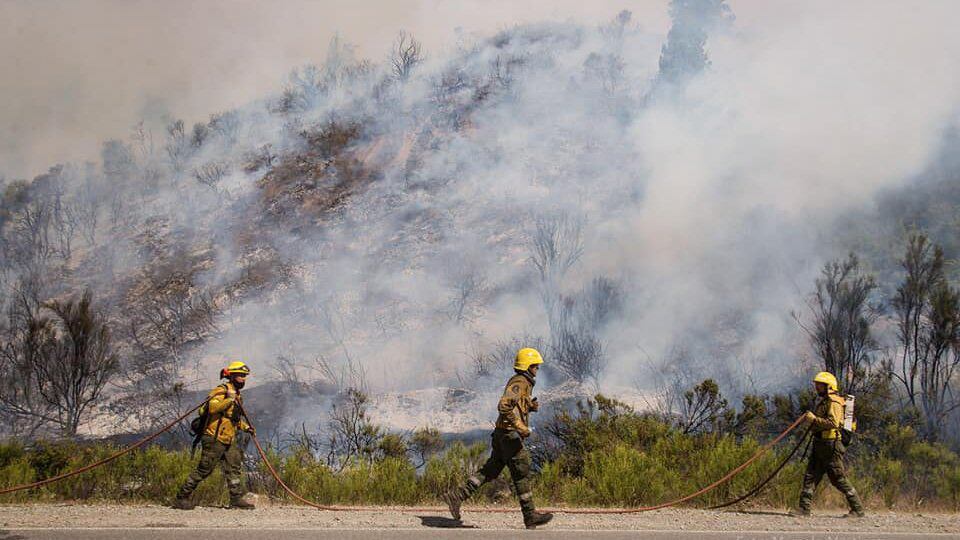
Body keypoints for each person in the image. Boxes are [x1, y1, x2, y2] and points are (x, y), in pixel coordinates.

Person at [444, 348, 553, 529]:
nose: (537, 370)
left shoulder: (523, 382)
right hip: (510, 435)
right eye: (535, 366)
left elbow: (515, 405)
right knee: (521, 472)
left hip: (502, 434)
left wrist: (529, 407)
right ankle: (530, 515)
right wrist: (521, 428)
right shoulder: (519, 382)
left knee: (491, 470)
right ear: (527, 366)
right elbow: (504, 406)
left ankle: (457, 495)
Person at [173, 361, 256, 510]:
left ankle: (236, 499)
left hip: (228, 439)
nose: (243, 379)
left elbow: (233, 420)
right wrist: (229, 399)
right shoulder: (222, 390)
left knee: (234, 467)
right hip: (214, 438)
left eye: (245, 376)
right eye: (241, 376)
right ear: (231, 376)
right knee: (204, 469)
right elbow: (212, 408)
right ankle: (181, 498)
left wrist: (246, 427)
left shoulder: (237, 395)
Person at [796, 371, 865, 517]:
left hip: (830, 445)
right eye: (817, 385)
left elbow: (833, 423)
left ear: (829, 386)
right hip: (820, 443)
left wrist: (813, 420)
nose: (817, 388)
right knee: (811, 475)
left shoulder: (834, 402)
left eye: (820, 385)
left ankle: (857, 509)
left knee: (838, 478)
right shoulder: (825, 401)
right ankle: (804, 509)